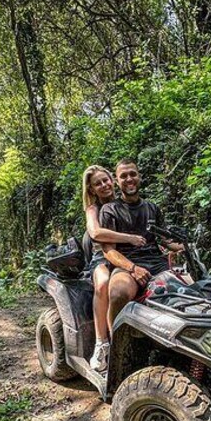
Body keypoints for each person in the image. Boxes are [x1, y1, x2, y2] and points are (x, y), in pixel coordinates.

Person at [100, 159, 182, 328]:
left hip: (157, 264)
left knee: (189, 287)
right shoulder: (110, 210)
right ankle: (114, 345)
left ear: (139, 177)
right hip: (126, 266)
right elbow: (108, 250)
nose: (129, 179)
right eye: (124, 176)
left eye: (133, 174)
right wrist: (133, 269)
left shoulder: (152, 208)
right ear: (117, 181)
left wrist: (182, 248)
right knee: (118, 293)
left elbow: (166, 240)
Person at [81, 165, 146, 372]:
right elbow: (96, 233)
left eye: (106, 180)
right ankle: (102, 343)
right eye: (97, 183)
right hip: (101, 257)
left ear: (113, 180)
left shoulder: (124, 204)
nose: (104, 185)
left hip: (124, 256)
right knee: (104, 283)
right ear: (91, 190)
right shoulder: (94, 209)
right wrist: (129, 238)